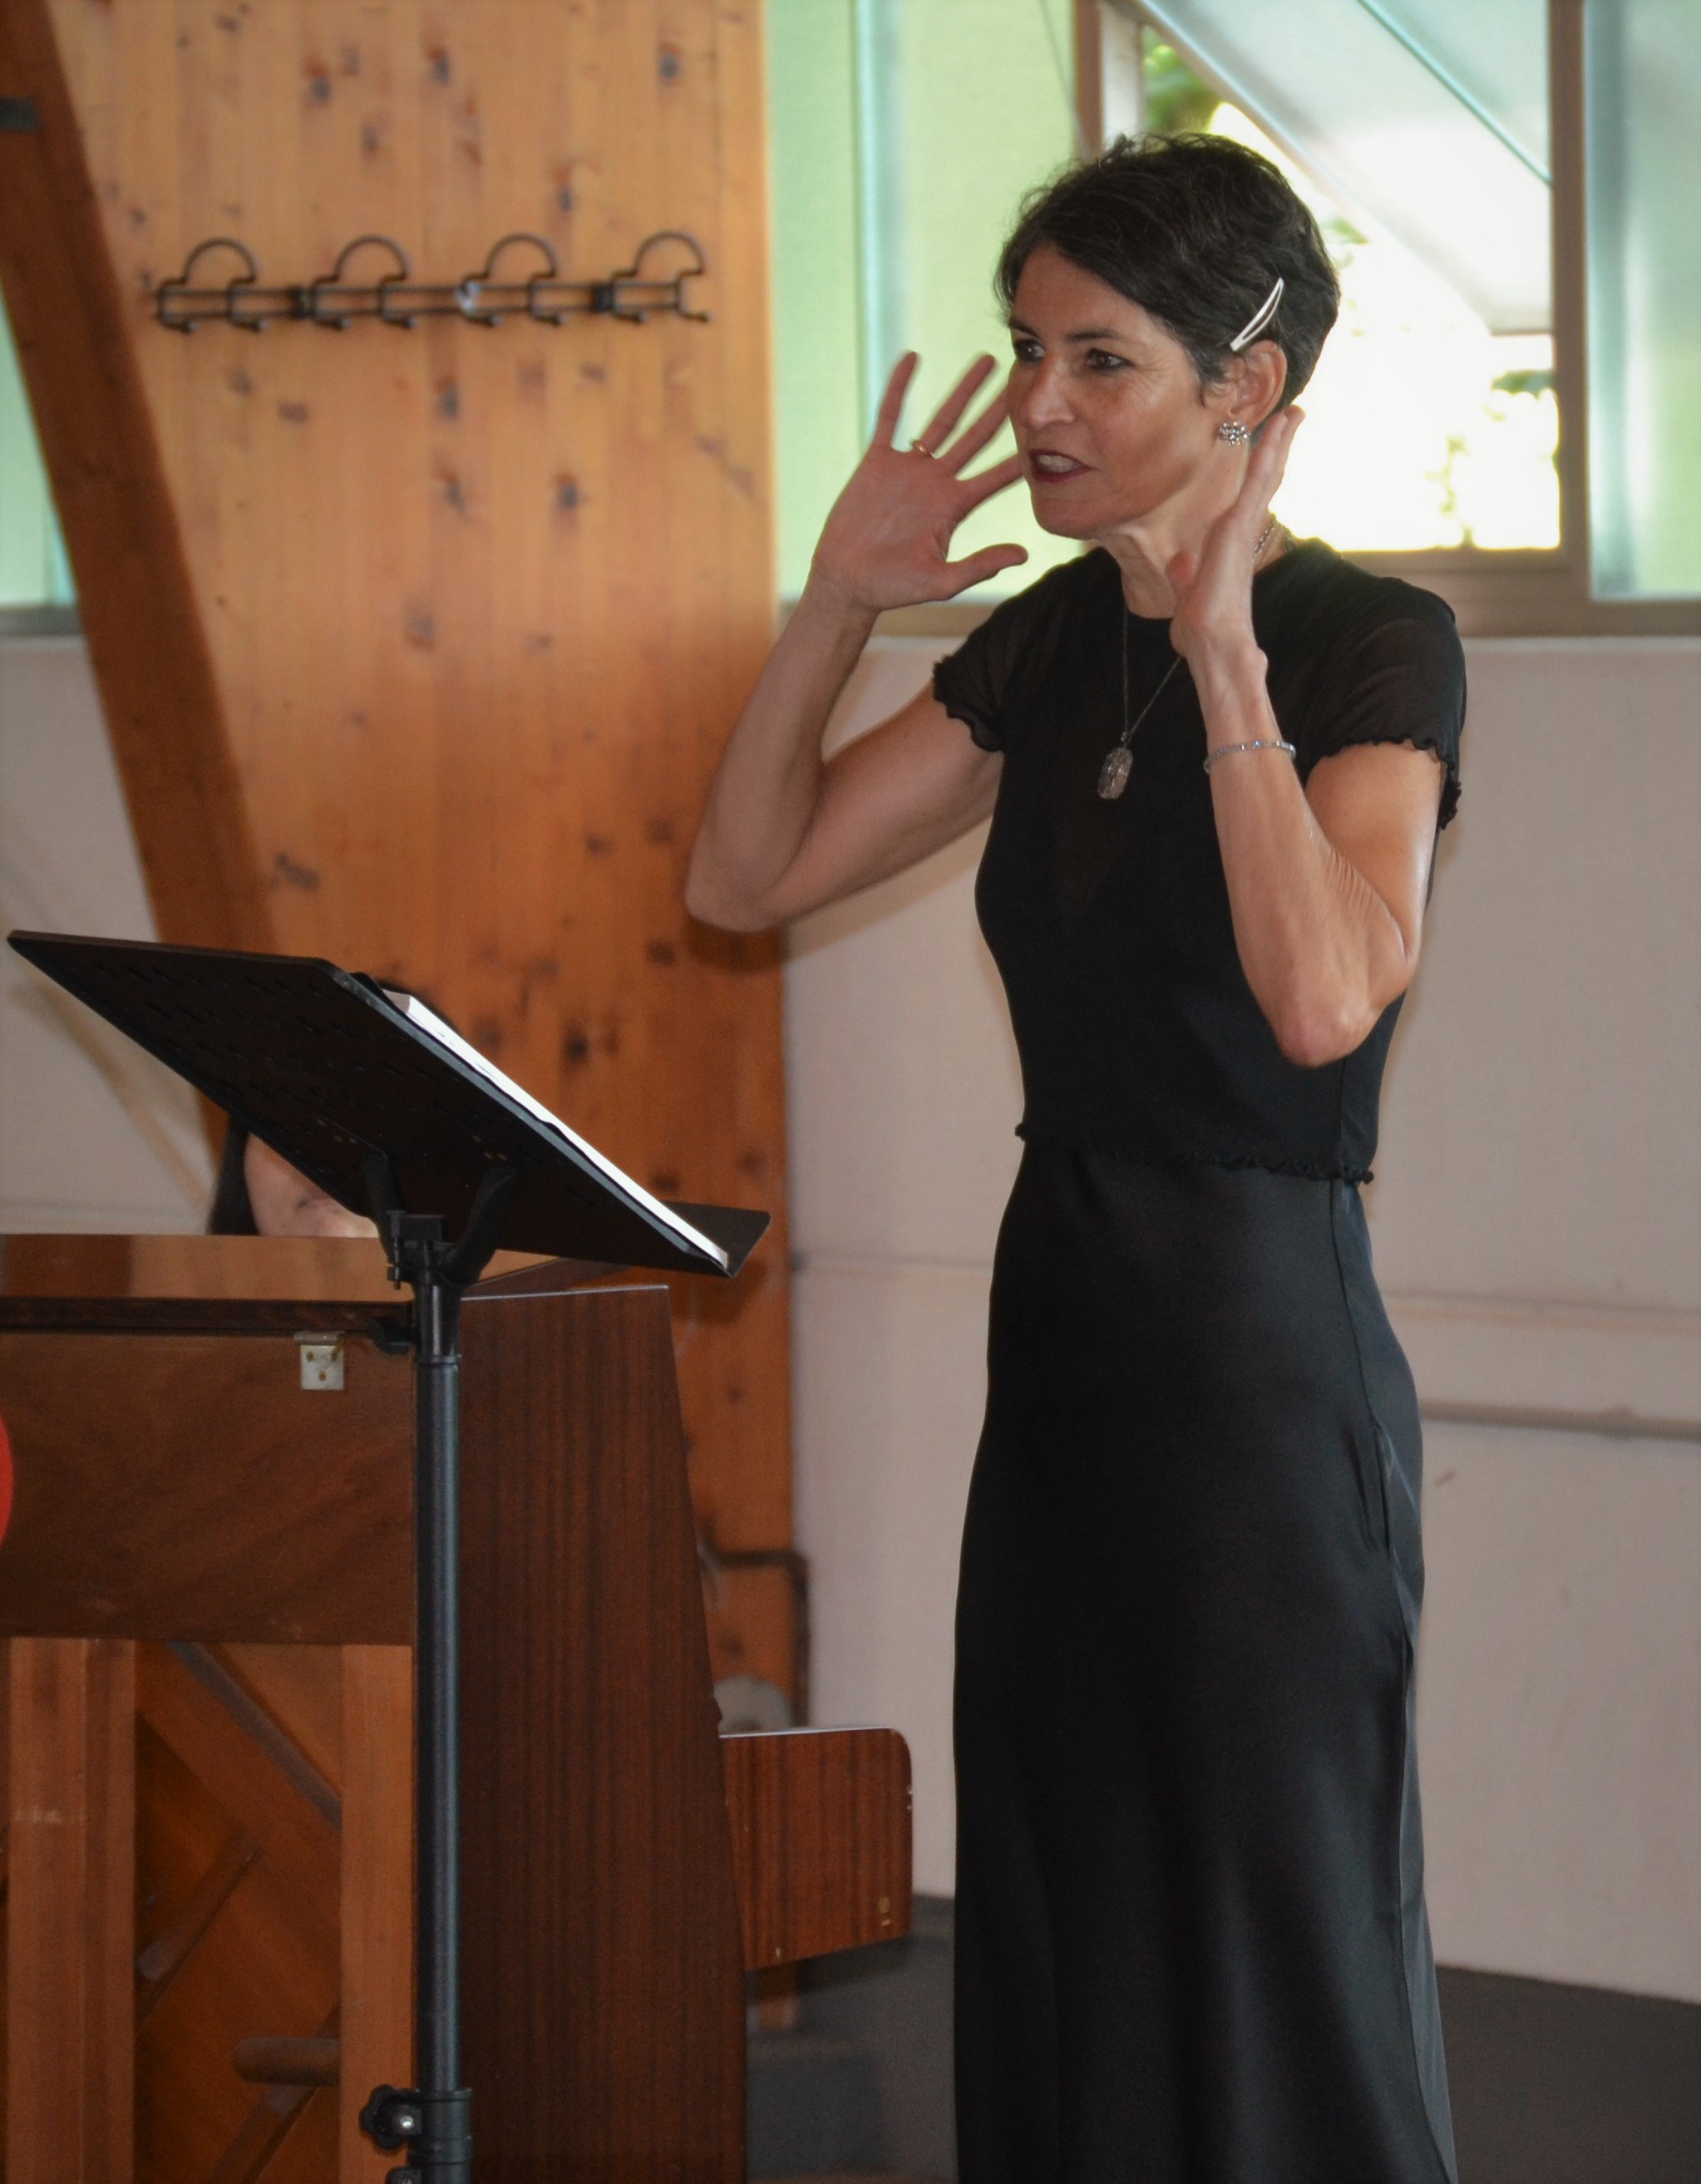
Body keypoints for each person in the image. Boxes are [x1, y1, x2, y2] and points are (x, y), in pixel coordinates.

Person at [687, 131, 1464, 2184]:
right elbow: (745, 877)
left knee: (1276, 1926)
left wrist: (1225, 661)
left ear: (1246, 388)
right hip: (1062, 1358)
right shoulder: (1040, 645)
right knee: (1065, 1918)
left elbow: (1325, 999)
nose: (1039, 404)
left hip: (1257, 1373)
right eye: (1027, 350)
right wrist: (832, 606)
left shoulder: (1373, 642)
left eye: (1098, 360)